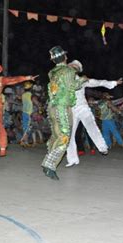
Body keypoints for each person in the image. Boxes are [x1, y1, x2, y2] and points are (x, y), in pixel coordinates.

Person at [65, 59, 123, 167]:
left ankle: (102, 147)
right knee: (69, 134)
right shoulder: (63, 81)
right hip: (70, 110)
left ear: (77, 70)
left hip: (82, 107)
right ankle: (72, 159)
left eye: (74, 67)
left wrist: (113, 83)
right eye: (70, 66)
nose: (71, 68)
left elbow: (98, 82)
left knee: (91, 126)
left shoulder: (82, 80)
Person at [41, 46, 86, 180]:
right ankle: (49, 164)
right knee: (64, 137)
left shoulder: (51, 72)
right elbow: (73, 86)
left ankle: (48, 161)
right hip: (62, 107)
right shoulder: (69, 71)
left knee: (56, 135)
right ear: (65, 57)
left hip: (52, 106)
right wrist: (83, 79)